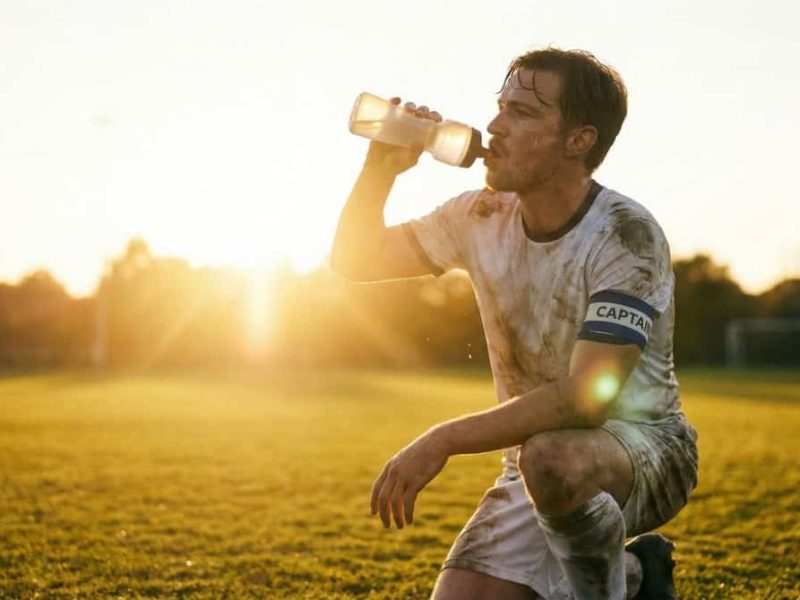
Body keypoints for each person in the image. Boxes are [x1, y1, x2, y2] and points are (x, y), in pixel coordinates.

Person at [331, 47, 698, 600]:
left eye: (523, 113)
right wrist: (378, 171)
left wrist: (442, 439)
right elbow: (355, 260)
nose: (495, 126)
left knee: (552, 457)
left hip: (645, 452)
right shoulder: (478, 213)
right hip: (532, 466)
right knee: (537, 470)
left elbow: (585, 400)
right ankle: (636, 575)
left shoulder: (627, 235)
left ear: (579, 140)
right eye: (499, 108)